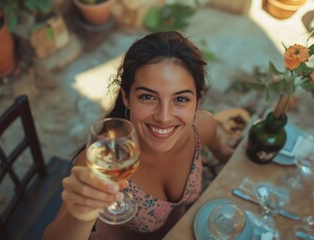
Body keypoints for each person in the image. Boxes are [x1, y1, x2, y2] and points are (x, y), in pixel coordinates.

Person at [43, 31, 234, 240]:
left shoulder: (204, 127)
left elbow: (226, 155)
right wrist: (82, 214)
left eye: (180, 99)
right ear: (126, 98)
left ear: (197, 101)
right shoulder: (105, 161)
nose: (164, 117)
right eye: (148, 96)